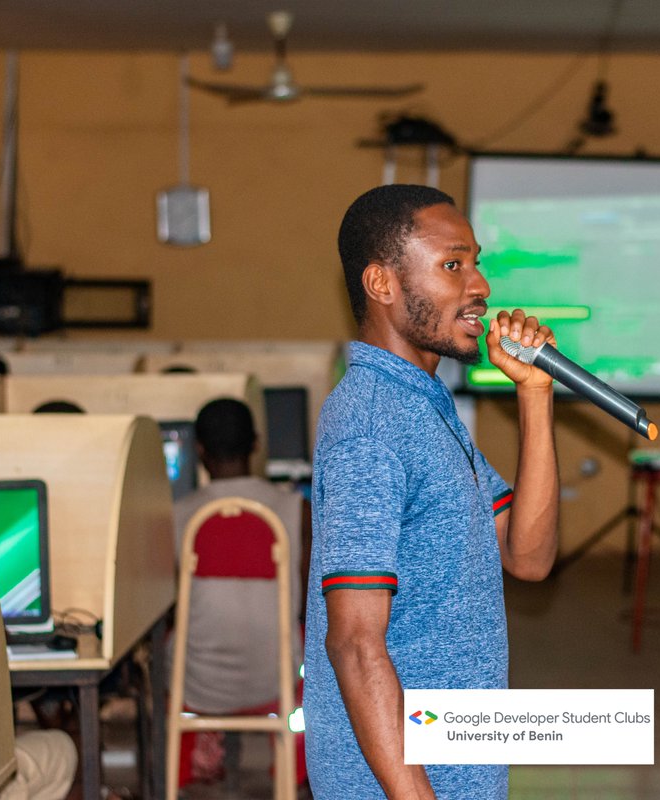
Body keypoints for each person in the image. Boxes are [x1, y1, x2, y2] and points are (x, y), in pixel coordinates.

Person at [304, 184, 560, 799]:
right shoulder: (369, 423)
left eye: (476, 263)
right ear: (382, 284)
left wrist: (535, 394)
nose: (480, 287)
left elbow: (528, 557)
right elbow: (354, 641)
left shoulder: (422, 408)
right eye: (453, 265)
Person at [170, 397, 310, 787]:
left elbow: (170, 610)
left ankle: (189, 759)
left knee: (164, 648)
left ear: (199, 451)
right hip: (277, 677)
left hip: (200, 684)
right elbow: (309, 608)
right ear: (256, 444)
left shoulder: (177, 517)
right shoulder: (296, 510)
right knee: (307, 643)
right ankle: (296, 768)